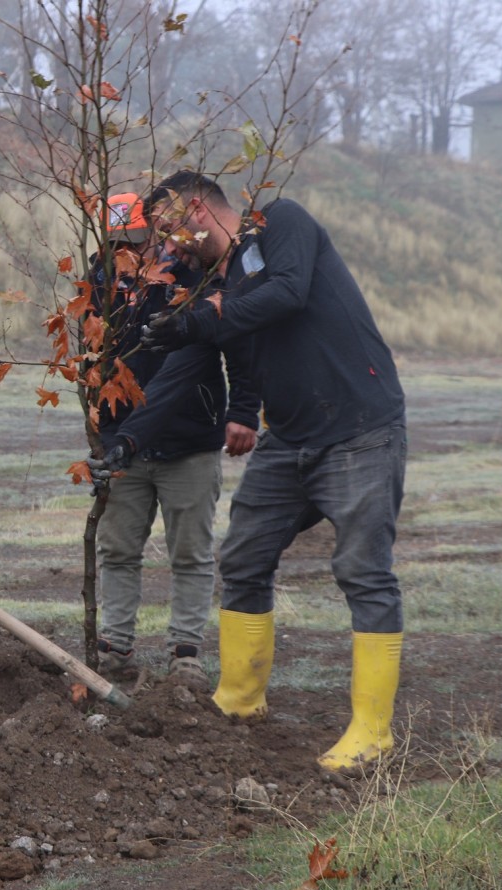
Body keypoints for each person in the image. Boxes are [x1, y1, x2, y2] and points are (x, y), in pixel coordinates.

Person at [134, 171, 407, 773]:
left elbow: (287, 292)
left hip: (360, 428)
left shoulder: (280, 223)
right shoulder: (215, 284)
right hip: (290, 437)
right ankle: (240, 698)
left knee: (363, 571)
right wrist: (130, 437)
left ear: (198, 208)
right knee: (243, 558)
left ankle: (373, 732)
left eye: (169, 228)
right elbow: (191, 361)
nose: (168, 245)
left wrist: (202, 318)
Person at [85, 191, 259, 681]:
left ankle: (185, 653)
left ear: (156, 234)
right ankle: (114, 648)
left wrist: (243, 409)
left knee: (190, 553)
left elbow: (235, 343)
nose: (127, 252)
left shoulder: (195, 276)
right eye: (117, 243)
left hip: (189, 439)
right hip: (121, 443)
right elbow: (93, 367)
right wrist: (103, 435)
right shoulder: (97, 285)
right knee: (118, 549)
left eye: (136, 240)